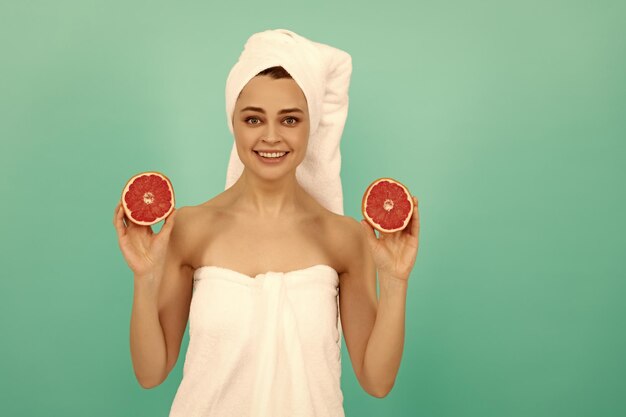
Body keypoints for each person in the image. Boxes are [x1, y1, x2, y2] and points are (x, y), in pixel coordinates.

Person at [113, 29, 420, 417]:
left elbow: (376, 381)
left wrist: (395, 280)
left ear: (311, 126)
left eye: (290, 119)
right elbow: (150, 372)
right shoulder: (191, 228)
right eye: (253, 119)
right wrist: (144, 278)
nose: (271, 136)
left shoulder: (344, 237)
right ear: (234, 124)